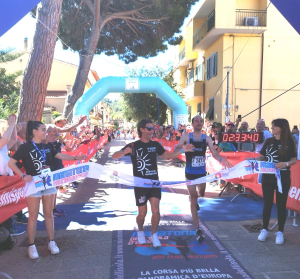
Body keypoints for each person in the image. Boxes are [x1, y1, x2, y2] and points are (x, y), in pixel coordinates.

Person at [8, 121, 87, 259]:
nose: (46, 132)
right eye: (43, 129)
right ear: (34, 131)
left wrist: (76, 157)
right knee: (33, 216)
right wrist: (22, 175)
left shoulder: (48, 145)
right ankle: (31, 246)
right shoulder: (25, 147)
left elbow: (60, 156)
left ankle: (52, 242)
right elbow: (11, 162)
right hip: (33, 184)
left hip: (48, 182)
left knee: (49, 213)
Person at [112, 119, 194, 247]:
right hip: (140, 185)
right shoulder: (133, 146)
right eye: (149, 129)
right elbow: (114, 156)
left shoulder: (155, 145)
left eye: (153, 129)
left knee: (156, 211)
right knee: (142, 214)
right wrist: (123, 152)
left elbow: (167, 156)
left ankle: (154, 235)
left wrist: (183, 151)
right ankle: (140, 231)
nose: (152, 131)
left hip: (154, 183)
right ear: (142, 129)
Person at [174, 116, 233, 241]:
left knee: (201, 194)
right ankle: (197, 228)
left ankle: (194, 200)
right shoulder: (186, 137)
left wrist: (222, 160)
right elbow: (176, 149)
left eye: (201, 121)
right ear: (192, 123)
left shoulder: (206, 138)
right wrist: (183, 149)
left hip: (201, 173)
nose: (199, 123)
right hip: (189, 173)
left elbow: (214, 152)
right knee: (194, 198)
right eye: (197, 121)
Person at [246, 119, 297, 245]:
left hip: (283, 177)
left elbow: (293, 160)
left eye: (274, 126)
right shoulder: (269, 141)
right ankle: (264, 229)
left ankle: (280, 232)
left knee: (281, 204)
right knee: (267, 204)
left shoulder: (290, 142)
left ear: (281, 127)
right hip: (268, 177)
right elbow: (262, 156)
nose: (272, 128)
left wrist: (285, 164)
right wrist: (252, 160)